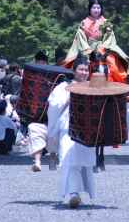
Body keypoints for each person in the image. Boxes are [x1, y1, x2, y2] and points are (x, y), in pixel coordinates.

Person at [47, 56, 95, 208]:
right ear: (74, 71)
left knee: (81, 161)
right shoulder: (64, 86)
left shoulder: (92, 87)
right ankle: (73, 193)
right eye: (81, 69)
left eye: (86, 69)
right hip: (68, 126)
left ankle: (77, 192)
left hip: (86, 128)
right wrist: (68, 99)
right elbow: (53, 105)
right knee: (69, 159)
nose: (83, 72)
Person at [61, 0, 129, 83]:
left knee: (113, 63)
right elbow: (80, 37)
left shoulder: (106, 22)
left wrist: (102, 50)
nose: (96, 10)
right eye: (94, 7)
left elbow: (109, 38)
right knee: (80, 63)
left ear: (101, 9)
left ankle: (118, 85)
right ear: (90, 8)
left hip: (103, 49)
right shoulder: (84, 22)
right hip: (87, 49)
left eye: (98, 8)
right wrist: (89, 52)